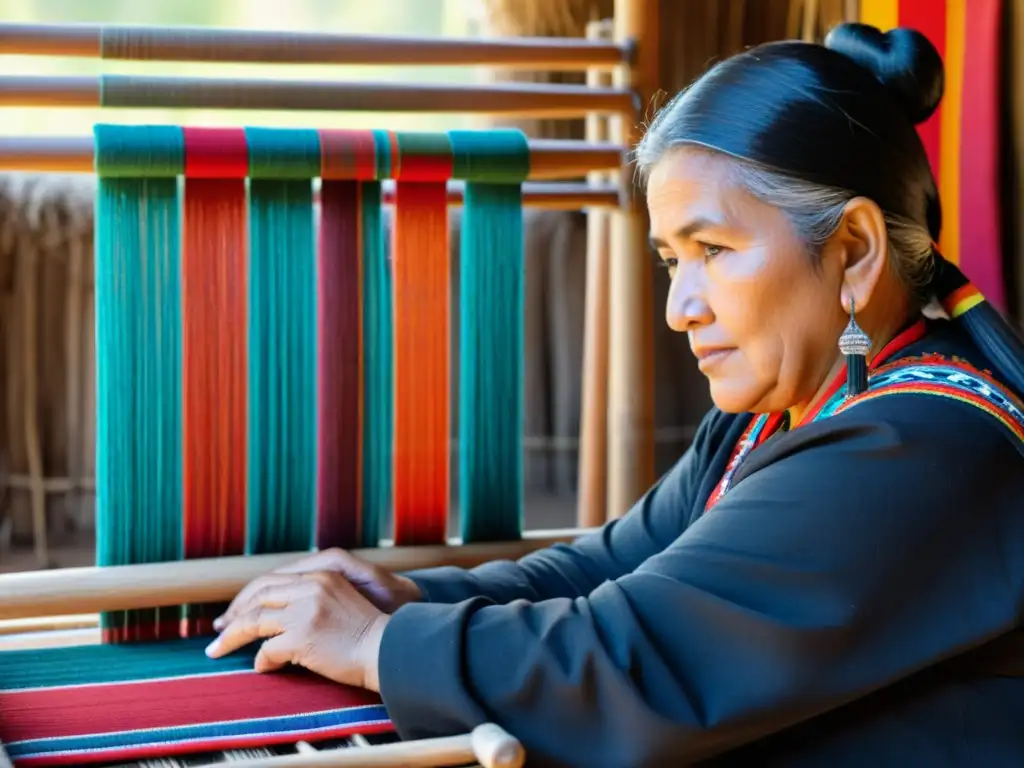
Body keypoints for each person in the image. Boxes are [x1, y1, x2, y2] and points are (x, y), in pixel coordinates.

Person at [204, 22, 1024, 766]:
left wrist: (382, 643)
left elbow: (637, 658)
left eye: (713, 249)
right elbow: (617, 564)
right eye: (673, 260)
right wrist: (418, 596)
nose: (680, 307)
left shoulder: (923, 444)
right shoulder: (774, 419)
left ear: (851, 249)